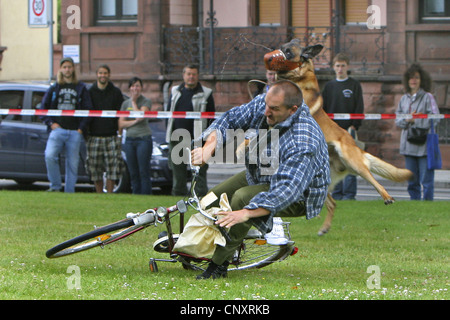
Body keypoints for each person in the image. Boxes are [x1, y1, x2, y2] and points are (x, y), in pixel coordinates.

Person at [191, 80, 330, 279]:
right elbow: (230, 119)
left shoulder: (304, 140)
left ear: (292, 110)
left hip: (299, 194)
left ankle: (218, 265)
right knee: (211, 198)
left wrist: (247, 213)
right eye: (266, 105)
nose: (266, 111)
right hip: (263, 173)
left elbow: (287, 190)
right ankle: (192, 246)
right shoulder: (266, 104)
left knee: (242, 198)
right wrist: (208, 148)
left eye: (273, 108)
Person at [39, 57, 93, 193]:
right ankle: (55, 186)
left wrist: (81, 128)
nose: (67, 70)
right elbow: (42, 108)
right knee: (49, 156)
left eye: (69, 67)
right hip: (58, 129)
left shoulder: (81, 88)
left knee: (72, 163)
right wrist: (50, 123)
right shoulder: (54, 87)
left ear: (73, 69)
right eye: (65, 67)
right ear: (61, 69)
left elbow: (88, 109)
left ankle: (69, 191)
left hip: (75, 131)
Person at [166, 64, 215, 197]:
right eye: (188, 74)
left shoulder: (206, 93)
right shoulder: (175, 91)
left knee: (199, 172)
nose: (191, 77)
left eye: (193, 74)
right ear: (184, 75)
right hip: (177, 137)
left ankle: (200, 199)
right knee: (178, 173)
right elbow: (168, 113)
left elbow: (211, 118)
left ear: (197, 76)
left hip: (198, 138)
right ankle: (178, 199)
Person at [322, 53, 364, 200]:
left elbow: (359, 107)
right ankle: (337, 193)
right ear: (334, 68)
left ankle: (350, 195)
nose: (340, 69)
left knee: (351, 163)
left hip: (349, 131)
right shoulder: (329, 87)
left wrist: (354, 126)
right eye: (338, 66)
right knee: (334, 163)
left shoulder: (354, 85)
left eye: (343, 66)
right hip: (333, 133)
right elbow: (324, 110)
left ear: (347, 67)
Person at [395, 63, 440, 201]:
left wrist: (417, 121)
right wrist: (407, 120)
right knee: (412, 181)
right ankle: (414, 204)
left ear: (421, 80)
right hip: (408, 145)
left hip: (424, 146)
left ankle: (427, 205)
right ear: (407, 81)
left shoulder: (428, 97)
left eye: (416, 77)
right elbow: (397, 120)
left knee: (426, 181)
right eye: (411, 78)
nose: (413, 80)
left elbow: (435, 118)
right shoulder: (403, 99)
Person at [86, 64, 124, 193]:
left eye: (105, 73)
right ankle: (99, 194)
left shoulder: (116, 92)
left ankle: (110, 193)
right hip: (94, 136)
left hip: (111, 136)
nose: (103, 75)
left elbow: (121, 114)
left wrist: (119, 134)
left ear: (109, 75)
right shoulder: (89, 92)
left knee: (113, 167)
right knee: (95, 167)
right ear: (97, 74)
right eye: (100, 73)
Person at [119, 77, 153, 195]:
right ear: (129, 88)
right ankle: (136, 194)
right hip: (129, 140)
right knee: (132, 171)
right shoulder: (124, 104)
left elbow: (140, 116)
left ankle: (146, 195)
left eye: (137, 86)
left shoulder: (145, 101)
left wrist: (133, 101)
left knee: (143, 170)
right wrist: (133, 122)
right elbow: (121, 123)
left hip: (143, 139)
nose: (135, 88)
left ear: (141, 88)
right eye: (133, 86)